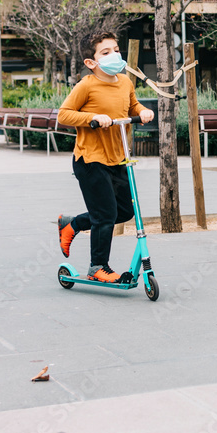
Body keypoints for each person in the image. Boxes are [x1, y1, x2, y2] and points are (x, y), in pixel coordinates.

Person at [57, 30, 154, 282]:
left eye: (116, 50)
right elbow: (64, 114)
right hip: (90, 160)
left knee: (123, 212)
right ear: (91, 62)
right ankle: (98, 268)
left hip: (118, 158)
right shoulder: (86, 85)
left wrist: (143, 111)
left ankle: (73, 224)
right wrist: (91, 118)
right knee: (105, 215)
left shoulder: (125, 82)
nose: (115, 55)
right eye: (106, 52)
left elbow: (132, 105)